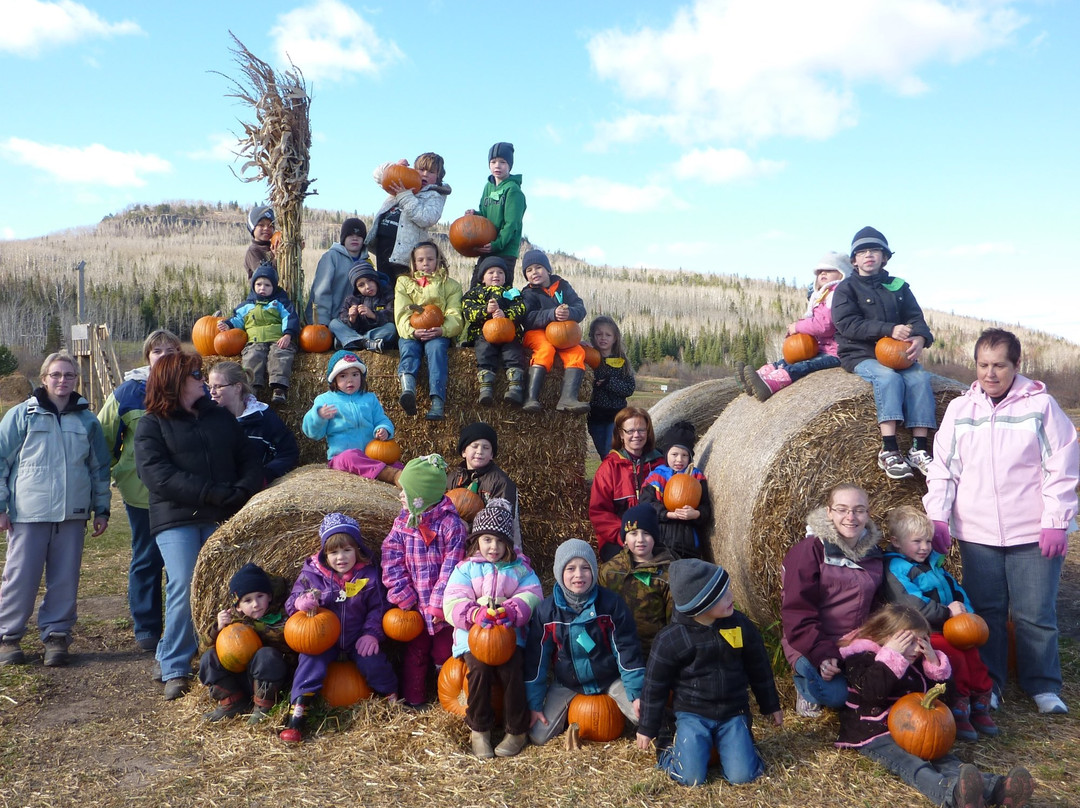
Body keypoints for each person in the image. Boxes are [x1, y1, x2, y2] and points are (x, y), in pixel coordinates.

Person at [923, 327, 1079, 716]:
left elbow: (1062, 464)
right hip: (978, 533)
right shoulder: (961, 411)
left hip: (1032, 531)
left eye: (999, 365)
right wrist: (937, 518)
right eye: (983, 365)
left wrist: (1056, 519)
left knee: (1034, 613)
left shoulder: (1040, 407)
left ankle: (1043, 686)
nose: (990, 374)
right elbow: (943, 469)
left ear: (1017, 365)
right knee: (987, 613)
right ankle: (989, 685)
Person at [134, 352, 263, 700]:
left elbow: (249, 457)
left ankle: (220, 660)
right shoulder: (152, 424)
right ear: (174, 382)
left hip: (222, 512)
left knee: (228, 585)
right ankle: (174, 665)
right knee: (186, 583)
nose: (202, 380)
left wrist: (242, 490)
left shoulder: (219, 417)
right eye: (194, 375)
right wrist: (212, 493)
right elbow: (158, 476)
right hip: (177, 518)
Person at [836, 604, 1035, 808]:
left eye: (921, 641)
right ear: (886, 636)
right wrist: (892, 657)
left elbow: (946, 698)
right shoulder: (860, 657)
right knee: (914, 765)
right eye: (908, 641)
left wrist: (934, 663)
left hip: (914, 729)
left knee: (945, 759)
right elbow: (871, 692)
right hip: (875, 733)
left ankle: (998, 789)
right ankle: (952, 795)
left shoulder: (918, 660)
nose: (916, 649)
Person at [0, 352, 110, 668]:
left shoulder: (88, 421)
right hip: (28, 514)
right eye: (56, 375)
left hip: (72, 515)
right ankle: (9, 637)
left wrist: (101, 509)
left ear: (77, 379)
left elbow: (99, 469)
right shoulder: (23, 415)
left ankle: (57, 636)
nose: (63, 381)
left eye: (69, 375)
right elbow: (1, 462)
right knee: (20, 577)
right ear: (45, 378)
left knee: (64, 579)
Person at [636, 559, 783, 788]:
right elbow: (654, 686)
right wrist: (647, 728)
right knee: (690, 778)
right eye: (722, 595)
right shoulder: (671, 639)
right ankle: (669, 750)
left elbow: (759, 667)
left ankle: (739, 747)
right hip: (692, 714)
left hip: (733, 711)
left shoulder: (740, 625)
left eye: (728, 589)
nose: (731, 596)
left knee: (743, 776)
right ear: (700, 605)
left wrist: (771, 705)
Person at [97, 328, 181, 653]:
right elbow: (104, 438)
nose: (163, 355)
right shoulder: (128, 392)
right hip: (140, 491)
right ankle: (147, 626)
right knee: (147, 558)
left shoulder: (189, 387)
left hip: (181, 491)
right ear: (148, 356)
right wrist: (113, 473)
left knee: (181, 561)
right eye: (156, 350)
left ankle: (179, 625)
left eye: (170, 349)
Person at [881, 505, 997, 740]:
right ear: (896, 541)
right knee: (954, 656)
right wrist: (947, 613)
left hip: (951, 626)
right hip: (923, 630)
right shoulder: (895, 568)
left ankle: (981, 701)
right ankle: (958, 707)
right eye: (917, 541)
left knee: (973, 655)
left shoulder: (935, 566)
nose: (924, 547)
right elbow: (911, 605)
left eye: (928, 541)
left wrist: (968, 615)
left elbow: (957, 592)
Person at [281, 513, 399, 742]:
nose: (341, 557)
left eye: (346, 550)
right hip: (325, 638)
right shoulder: (312, 575)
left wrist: (371, 634)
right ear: (325, 554)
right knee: (310, 660)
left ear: (357, 549)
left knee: (373, 661)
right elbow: (292, 599)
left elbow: (379, 607)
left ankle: (391, 698)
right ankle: (298, 710)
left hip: (357, 637)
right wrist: (299, 603)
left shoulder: (369, 575)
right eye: (333, 552)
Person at [832, 227, 937, 480]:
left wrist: (921, 338)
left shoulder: (898, 286)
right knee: (888, 378)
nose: (869, 255)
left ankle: (919, 449)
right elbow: (847, 324)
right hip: (861, 353)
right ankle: (889, 449)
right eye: (862, 252)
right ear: (854, 260)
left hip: (899, 355)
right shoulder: (846, 289)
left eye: (875, 251)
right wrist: (888, 329)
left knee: (920, 379)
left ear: (885, 257)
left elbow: (916, 317)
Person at [444, 499, 543, 758]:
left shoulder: (520, 569)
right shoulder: (466, 568)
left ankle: (516, 729)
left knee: (512, 672)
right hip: (473, 638)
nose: (494, 547)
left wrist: (512, 610)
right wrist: (474, 613)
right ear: (477, 540)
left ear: (509, 543)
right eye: (487, 540)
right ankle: (479, 728)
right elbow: (452, 601)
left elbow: (533, 596)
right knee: (478, 671)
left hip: (510, 637)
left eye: (500, 541)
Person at [524, 539, 645, 746]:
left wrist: (636, 694)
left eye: (585, 568)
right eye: (570, 568)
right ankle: (567, 716)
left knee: (646, 718)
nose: (578, 574)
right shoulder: (546, 612)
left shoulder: (611, 605)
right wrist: (534, 704)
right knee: (538, 735)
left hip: (609, 678)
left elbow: (627, 650)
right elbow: (537, 661)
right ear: (559, 573)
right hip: (567, 682)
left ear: (594, 571)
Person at [780, 483, 884, 718]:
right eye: (842, 509)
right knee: (837, 696)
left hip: (853, 642)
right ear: (829, 512)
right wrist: (823, 653)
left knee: (879, 686)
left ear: (868, 514)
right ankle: (804, 683)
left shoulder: (875, 554)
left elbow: (878, 606)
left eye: (859, 510)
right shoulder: (809, 551)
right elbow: (797, 612)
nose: (851, 517)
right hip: (809, 640)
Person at [381, 455, 467, 708]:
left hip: (443, 612)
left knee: (445, 655)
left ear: (423, 497)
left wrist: (439, 606)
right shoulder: (403, 522)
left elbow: (452, 570)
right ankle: (415, 700)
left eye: (405, 493)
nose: (400, 497)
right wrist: (404, 596)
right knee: (415, 655)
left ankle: (446, 699)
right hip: (415, 609)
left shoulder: (452, 526)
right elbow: (391, 559)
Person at [737, 251, 850, 401]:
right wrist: (800, 325)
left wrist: (797, 327)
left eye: (830, 270)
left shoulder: (837, 295)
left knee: (803, 366)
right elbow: (816, 322)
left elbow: (824, 325)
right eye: (819, 271)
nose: (823, 273)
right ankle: (757, 377)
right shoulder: (823, 296)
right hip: (822, 348)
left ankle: (770, 384)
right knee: (787, 360)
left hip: (836, 353)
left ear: (843, 273)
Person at [198, 562, 293, 724]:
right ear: (239, 606)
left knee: (266, 655)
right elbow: (201, 650)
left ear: (269, 596)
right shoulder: (233, 621)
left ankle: (263, 707)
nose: (255, 604)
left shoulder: (282, 616)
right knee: (209, 657)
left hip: (271, 681)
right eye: (247, 600)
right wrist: (218, 628)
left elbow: (291, 643)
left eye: (260, 596)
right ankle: (232, 701)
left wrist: (257, 629)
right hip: (240, 679)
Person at [302, 350, 399, 484]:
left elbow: (381, 419)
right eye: (343, 376)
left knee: (397, 464)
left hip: (372, 455)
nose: (350, 380)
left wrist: (384, 429)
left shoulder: (369, 399)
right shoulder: (325, 400)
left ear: (361, 376)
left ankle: (410, 478)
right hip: (342, 458)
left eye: (355, 374)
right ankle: (391, 475)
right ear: (334, 379)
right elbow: (313, 433)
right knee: (351, 457)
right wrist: (319, 416)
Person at [394, 241, 463, 421]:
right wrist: (411, 331)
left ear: (438, 260)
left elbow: (455, 314)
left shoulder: (451, 286)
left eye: (430, 259)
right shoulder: (404, 283)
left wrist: (442, 330)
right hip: (412, 331)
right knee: (408, 348)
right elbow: (401, 313)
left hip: (437, 332)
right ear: (414, 263)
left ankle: (437, 401)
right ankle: (408, 389)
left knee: (436, 350)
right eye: (421, 260)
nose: (425, 263)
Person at [589, 406, 664, 563]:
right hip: (618, 538)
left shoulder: (660, 465)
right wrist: (625, 536)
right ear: (621, 434)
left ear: (648, 432)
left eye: (641, 430)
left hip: (654, 535)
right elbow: (599, 512)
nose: (636, 435)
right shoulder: (609, 468)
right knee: (623, 568)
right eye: (630, 431)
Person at [519, 249, 589, 414]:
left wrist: (569, 313)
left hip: (562, 335)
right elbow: (527, 318)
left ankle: (567, 398)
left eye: (538, 267)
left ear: (548, 269)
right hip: (536, 333)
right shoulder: (528, 293)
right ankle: (530, 397)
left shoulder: (563, 286)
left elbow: (580, 308)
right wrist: (552, 314)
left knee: (577, 352)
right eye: (529, 270)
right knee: (546, 350)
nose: (534, 272)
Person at [599, 504, 673, 658]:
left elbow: (673, 621)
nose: (640, 539)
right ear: (624, 539)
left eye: (646, 533)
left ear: (655, 536)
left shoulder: (668, 574)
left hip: (655, 653)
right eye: (633, 533)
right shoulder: (609, 571)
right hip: (617, 651)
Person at [219, 262, 299, 405]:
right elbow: (238, 319)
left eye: (267, 285)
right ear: (253, 286)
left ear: (274, 287)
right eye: (259, 284)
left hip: (277, 339)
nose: (262, 288)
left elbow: (290, 318)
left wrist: (288, 335)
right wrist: (228, 324)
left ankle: (279, 388)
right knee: (252, 358)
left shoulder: (280, 302)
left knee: (280, 356)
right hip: (255, 341)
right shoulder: (248, 305)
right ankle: (251, 390)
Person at [207, 361, 298, 485]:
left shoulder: (264, 418)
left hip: (257, 490)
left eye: (218, 386)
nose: (211, 392)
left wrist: (265, 475)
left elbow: (288, 451)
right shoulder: (207, 419)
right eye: (210, 386)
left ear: (237, 388)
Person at [370, 154, 452, 283]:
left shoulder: (435, 195)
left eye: (430, 172)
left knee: (402, 287)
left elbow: (426, 217)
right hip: (383, 246)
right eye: (421, 170)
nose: (424, 174)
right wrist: (395, 167)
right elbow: (378, 175)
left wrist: (405, 196)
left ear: (438, 177)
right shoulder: (404, 182)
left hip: (406, 255)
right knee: (384, 285)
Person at [639, 420, 712, 560]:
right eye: (674, 454)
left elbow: (706, 507)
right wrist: (668, 514)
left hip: (689, 544)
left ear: (690, 457)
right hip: (660, 542)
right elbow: (646, 504)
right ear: (666, 454)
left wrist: (696, 514)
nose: (679, 459)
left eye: (685, 455)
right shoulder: (656, 476)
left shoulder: (696, 477)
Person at [461, 256, 526, 406]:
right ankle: (486, 386)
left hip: (509, 333)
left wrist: (506, 314)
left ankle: (515, 385)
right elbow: (468, 311)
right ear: (482, 278)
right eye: (491, 272)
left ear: (505, 278)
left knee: (513, 351)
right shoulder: (475, 293)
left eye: (500, 273)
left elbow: (522, 308)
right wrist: (485, 310)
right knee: (484, 350)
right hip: (483, 333)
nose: (496, 275)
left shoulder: (512, 292)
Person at [446, 422, 522, 551]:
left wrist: (468, 527)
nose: (480, 451)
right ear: (464, 451)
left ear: (492, 454)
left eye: (486, 448)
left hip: (490, 547)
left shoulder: (501, 482)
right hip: (455, 541)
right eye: (474, 446)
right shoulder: (452, 478)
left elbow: (501, 521)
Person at [308, 217, 374, 348]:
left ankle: (357, 340)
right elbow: (321, 291)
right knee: (335, 326)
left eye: (359, 236)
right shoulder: (331, 257)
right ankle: (350, 339)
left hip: (357, 320)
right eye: (350, 235)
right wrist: (322, 323)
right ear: (343, 238)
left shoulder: (367, 262)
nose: (355, 238)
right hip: (336, 318)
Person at [465, 141, 525, 274]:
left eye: (502, 162)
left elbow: (512, 224)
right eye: (493, 162)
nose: (497, 165)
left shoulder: (513, 190)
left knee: (500, 291)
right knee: (476, 288)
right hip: (487, 247)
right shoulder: (488, 187)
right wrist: (476, 214)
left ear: (509, 165)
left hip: (504, 251)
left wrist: (497, 244)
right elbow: (486, 215)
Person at [586, 316, 635, 456]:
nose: (603, 338)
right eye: (599, 334)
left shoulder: (621, 361)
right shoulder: (588, 358)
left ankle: (622, 477)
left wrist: (609, 382)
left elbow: (629, 388)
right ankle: (613, 477)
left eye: (608, 334)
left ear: (615, 338)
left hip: (616, 416)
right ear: (592, 336)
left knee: (613, 451)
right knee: (604, 454)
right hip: (595, 417)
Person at [336, 260, 397, 353]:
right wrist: (352, 318)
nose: (368, 286)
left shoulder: (387, 294)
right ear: (357, 289)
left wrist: (374, 315)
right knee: (334, 323)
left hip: (376, 333)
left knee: (391, 328)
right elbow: (343, 316)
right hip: (358, 332)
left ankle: (353, 341)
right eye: (361, 285)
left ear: (376, 279)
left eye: (370, 280)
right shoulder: (351, 300)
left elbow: (393, 314)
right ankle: (364, 343)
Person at [244, 204, 276, 278]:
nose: (266, 228)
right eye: (261, 225)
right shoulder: (253, 251)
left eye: (270, 225)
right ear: (253, 228)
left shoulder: (274, 246)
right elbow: (264, 275)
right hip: (262, 289)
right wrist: (276, 258)